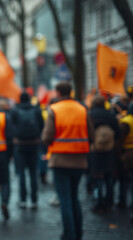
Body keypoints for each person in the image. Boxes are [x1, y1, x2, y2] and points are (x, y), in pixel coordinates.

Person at [42, 82, 94, 240]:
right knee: (74, 197)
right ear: (71, 92)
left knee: (65, 199)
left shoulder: (54, 110)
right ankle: (78, 233)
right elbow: (92, 136)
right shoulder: (82, 109)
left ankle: (69, 235)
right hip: (79, 161)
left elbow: (46, 137)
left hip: (60, 161)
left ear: (58, 93)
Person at [11, 92, 44, 209]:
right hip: (34, 145)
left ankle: (23, 200)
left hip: (20, 145)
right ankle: (34, 200)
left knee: (22, 175)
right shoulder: (36, 110)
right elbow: (41, 125)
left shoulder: (15, 110)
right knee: (33, 173)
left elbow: (11, 127)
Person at [88, 95, 120, 213]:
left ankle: (99, 203)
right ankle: (109, 201)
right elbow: (118, 132)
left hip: (95, 151)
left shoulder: (90, 115)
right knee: (108, 177)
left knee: (97, 178)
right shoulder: (110, 115)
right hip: (109, 151)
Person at [119, 103, 133, 210]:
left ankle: (122, 201)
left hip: (128, 153)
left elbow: (120, 138)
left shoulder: (126, 121)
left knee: (124, 179)